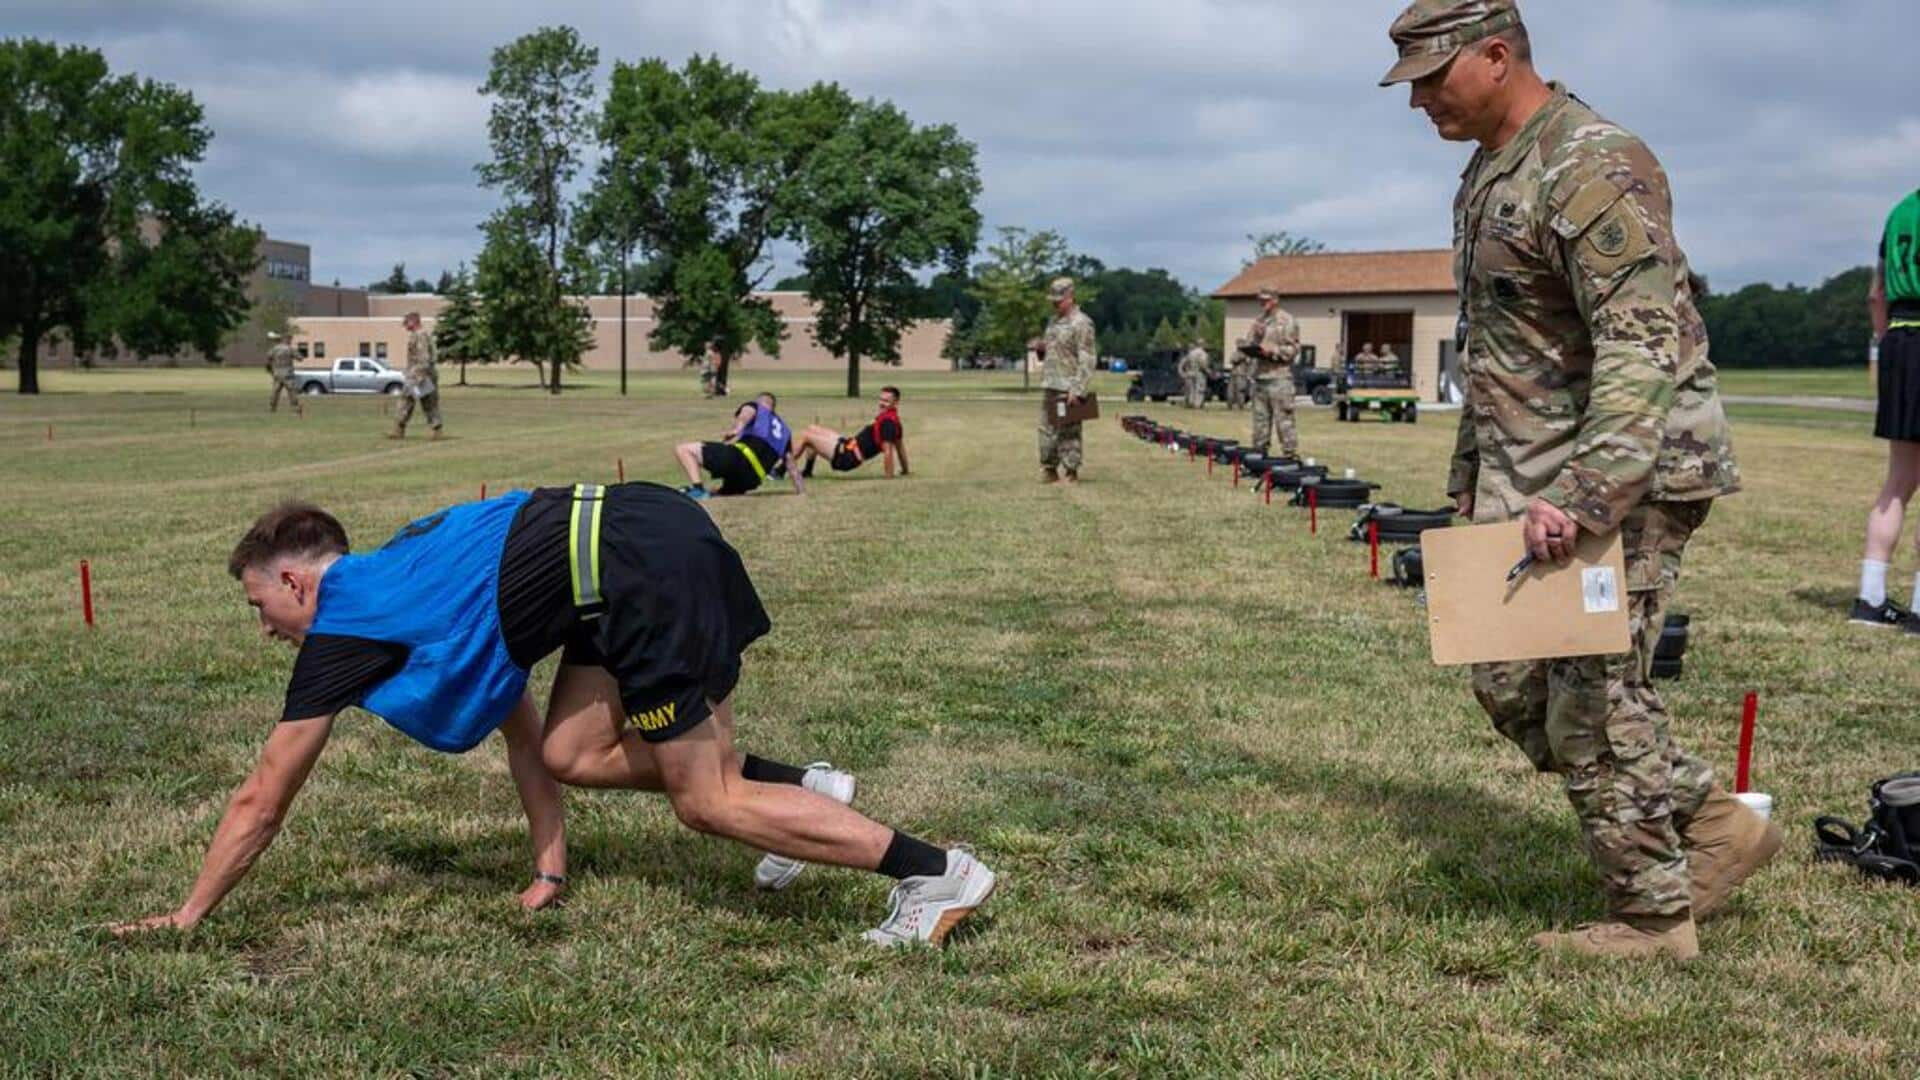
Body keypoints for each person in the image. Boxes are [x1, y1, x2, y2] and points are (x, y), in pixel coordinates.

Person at [110, 488, 995, 946]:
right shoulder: (410, 570)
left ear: (299, 582)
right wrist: (550, 870)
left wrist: (189, 914)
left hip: (624, 568)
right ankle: (806, 788)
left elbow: (261, 800)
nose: (268, 630)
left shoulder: (346, 628)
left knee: (706, 803)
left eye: (262, 607)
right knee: (579, 748)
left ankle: (938, 873)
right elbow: (530, 740)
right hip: (636, 535)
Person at [1384, 0, 1771, 961]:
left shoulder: (1592, 162)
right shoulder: (1489, 174)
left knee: (1589, 696)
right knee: (1505, 679)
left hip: (1629, 470)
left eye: (1434, 78)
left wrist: (1590, 493)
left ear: (1497, 56)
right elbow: (1501, 352)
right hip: (1531, 474)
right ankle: (1714, 824)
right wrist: (1477, 484)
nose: (1419, 100)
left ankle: (1652, 918)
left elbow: (1640, 348)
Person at [1851, 188, 1920, 631]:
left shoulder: (1899, 211)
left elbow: (1877, 294)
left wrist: (1884, 345)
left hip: (1897, 339)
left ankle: (1870, 600)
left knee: (1898, 480)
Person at [674, 392, 800, 500]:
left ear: (760, 401)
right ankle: (707, 492)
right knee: (717, 493)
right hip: (751, 479)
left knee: (683, 449)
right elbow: (791, 466)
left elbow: (746, 414)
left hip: (739, 459)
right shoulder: (785, 432)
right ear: (774, 408)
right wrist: (801, 491)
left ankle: (698, 489)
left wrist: (737, 429)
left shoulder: (756, 406)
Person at [1038, 277, 1097, 485]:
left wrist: (1078, 388)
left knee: (1069, 432)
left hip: (1068, 386)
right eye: (1053, 300)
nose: (1055, 303)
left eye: (1059, 300)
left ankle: (1071, 472)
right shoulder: (1053, 322)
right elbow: (1051, 350)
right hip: (1050, 382)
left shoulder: (1082, 323)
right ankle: (1049, 469)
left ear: (1070, 297)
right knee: (1047, 430)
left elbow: (1087, 358)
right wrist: (1041, 349)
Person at [789, 386, 910, 481]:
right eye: (881, 399)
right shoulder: (893, 420)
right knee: (812, 428)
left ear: (896, 402)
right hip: (847, 445)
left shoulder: (888, 423)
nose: (881, 403)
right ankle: (807, 472)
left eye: (886, 401)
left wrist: (889, 477)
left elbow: (888, 451)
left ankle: (779, 471)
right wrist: (905, 470)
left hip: (847, 457)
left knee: (806, 436)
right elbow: (900, 448)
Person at [1244, 287, 1301, 459]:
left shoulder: (1287, 321)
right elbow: (1250, 343)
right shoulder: (1259, 321)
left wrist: (1272, 351)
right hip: (1260, 377)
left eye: (1266, 300)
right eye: (1260, 300)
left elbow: (1293, 349)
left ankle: (1290, 457)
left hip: (1279, 377)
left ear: (1275, 299)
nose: (1262, 303)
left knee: (1284, 420)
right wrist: (1255, 339)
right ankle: (1259, 456)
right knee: (1260, 421)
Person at [389, 312, 443, 440]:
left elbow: (424, 357)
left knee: (417, 401)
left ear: (414, 322)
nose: (405, 326)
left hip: (420, 374)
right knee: (411, 401)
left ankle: (436, 430)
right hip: (420, 373)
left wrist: (419, 376)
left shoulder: (420, 335)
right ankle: (399, 428)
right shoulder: (419, 335)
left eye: (406, 323)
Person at [266, 333, 303, 418]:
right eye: (290, 339)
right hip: (288, 374)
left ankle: (272, 408)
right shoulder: (290, 349)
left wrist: (271, 371)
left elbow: (268, 360)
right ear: (287, 339)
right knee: (292, 392)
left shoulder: (274, 349)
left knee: (275, 392)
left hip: (277, 374)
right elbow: (300, 358)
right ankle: (296, 409)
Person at [1179, 342, 1209, 409]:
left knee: (1192, 389)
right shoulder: (1202, 353)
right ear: (1202, 345)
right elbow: (1202, 364)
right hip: (1199, 373)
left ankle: (1191, 403)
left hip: (1191, 372)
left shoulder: (1191, 353)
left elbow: (1185, 363)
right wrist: (1208, 371)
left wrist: (1184, 373)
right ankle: (1197, 404)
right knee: (1200, 390)